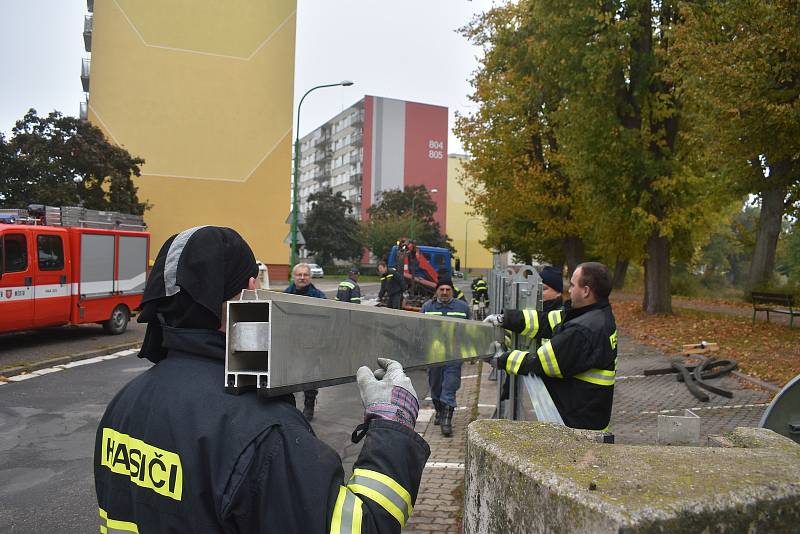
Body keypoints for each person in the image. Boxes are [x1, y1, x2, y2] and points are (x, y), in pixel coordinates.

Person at [94, 226, 430, 533]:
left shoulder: (124, 405)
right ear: (250, 291)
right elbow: (365, 526)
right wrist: (393, 426)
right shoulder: (262, 431)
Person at [484, 262, 617, 431]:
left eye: (573, 285)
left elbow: (539, 362)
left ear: (586, 291)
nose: (568, 290)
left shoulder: (582, 331)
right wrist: (506, 319)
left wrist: (501, 359)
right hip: (588, 417)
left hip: (578, 427)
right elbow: (546, 321)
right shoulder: (595, 314)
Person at [421, 276, 471, 437]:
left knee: (449, 386)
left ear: (452, 291)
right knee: (435, 387)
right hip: (433, 356)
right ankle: (439, 411)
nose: (444, 292)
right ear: (436, 291)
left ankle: (446, 421)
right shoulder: (427, 307)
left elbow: (469, 331)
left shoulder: (463, 307)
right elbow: (420, 331)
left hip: (453, 355)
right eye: (441, 289)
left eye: (447, 289)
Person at [284, 262, 326, 420]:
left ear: (310, 277)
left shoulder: (319, 296)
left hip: (311, 343)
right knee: (288, 375)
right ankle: (287, 405)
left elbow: (326, 321)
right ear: (293, 277)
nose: (302, 277)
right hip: (291, 342)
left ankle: (309, 405)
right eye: (299, 275)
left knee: (309, 376)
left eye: (305, 275)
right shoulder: (285, 295)